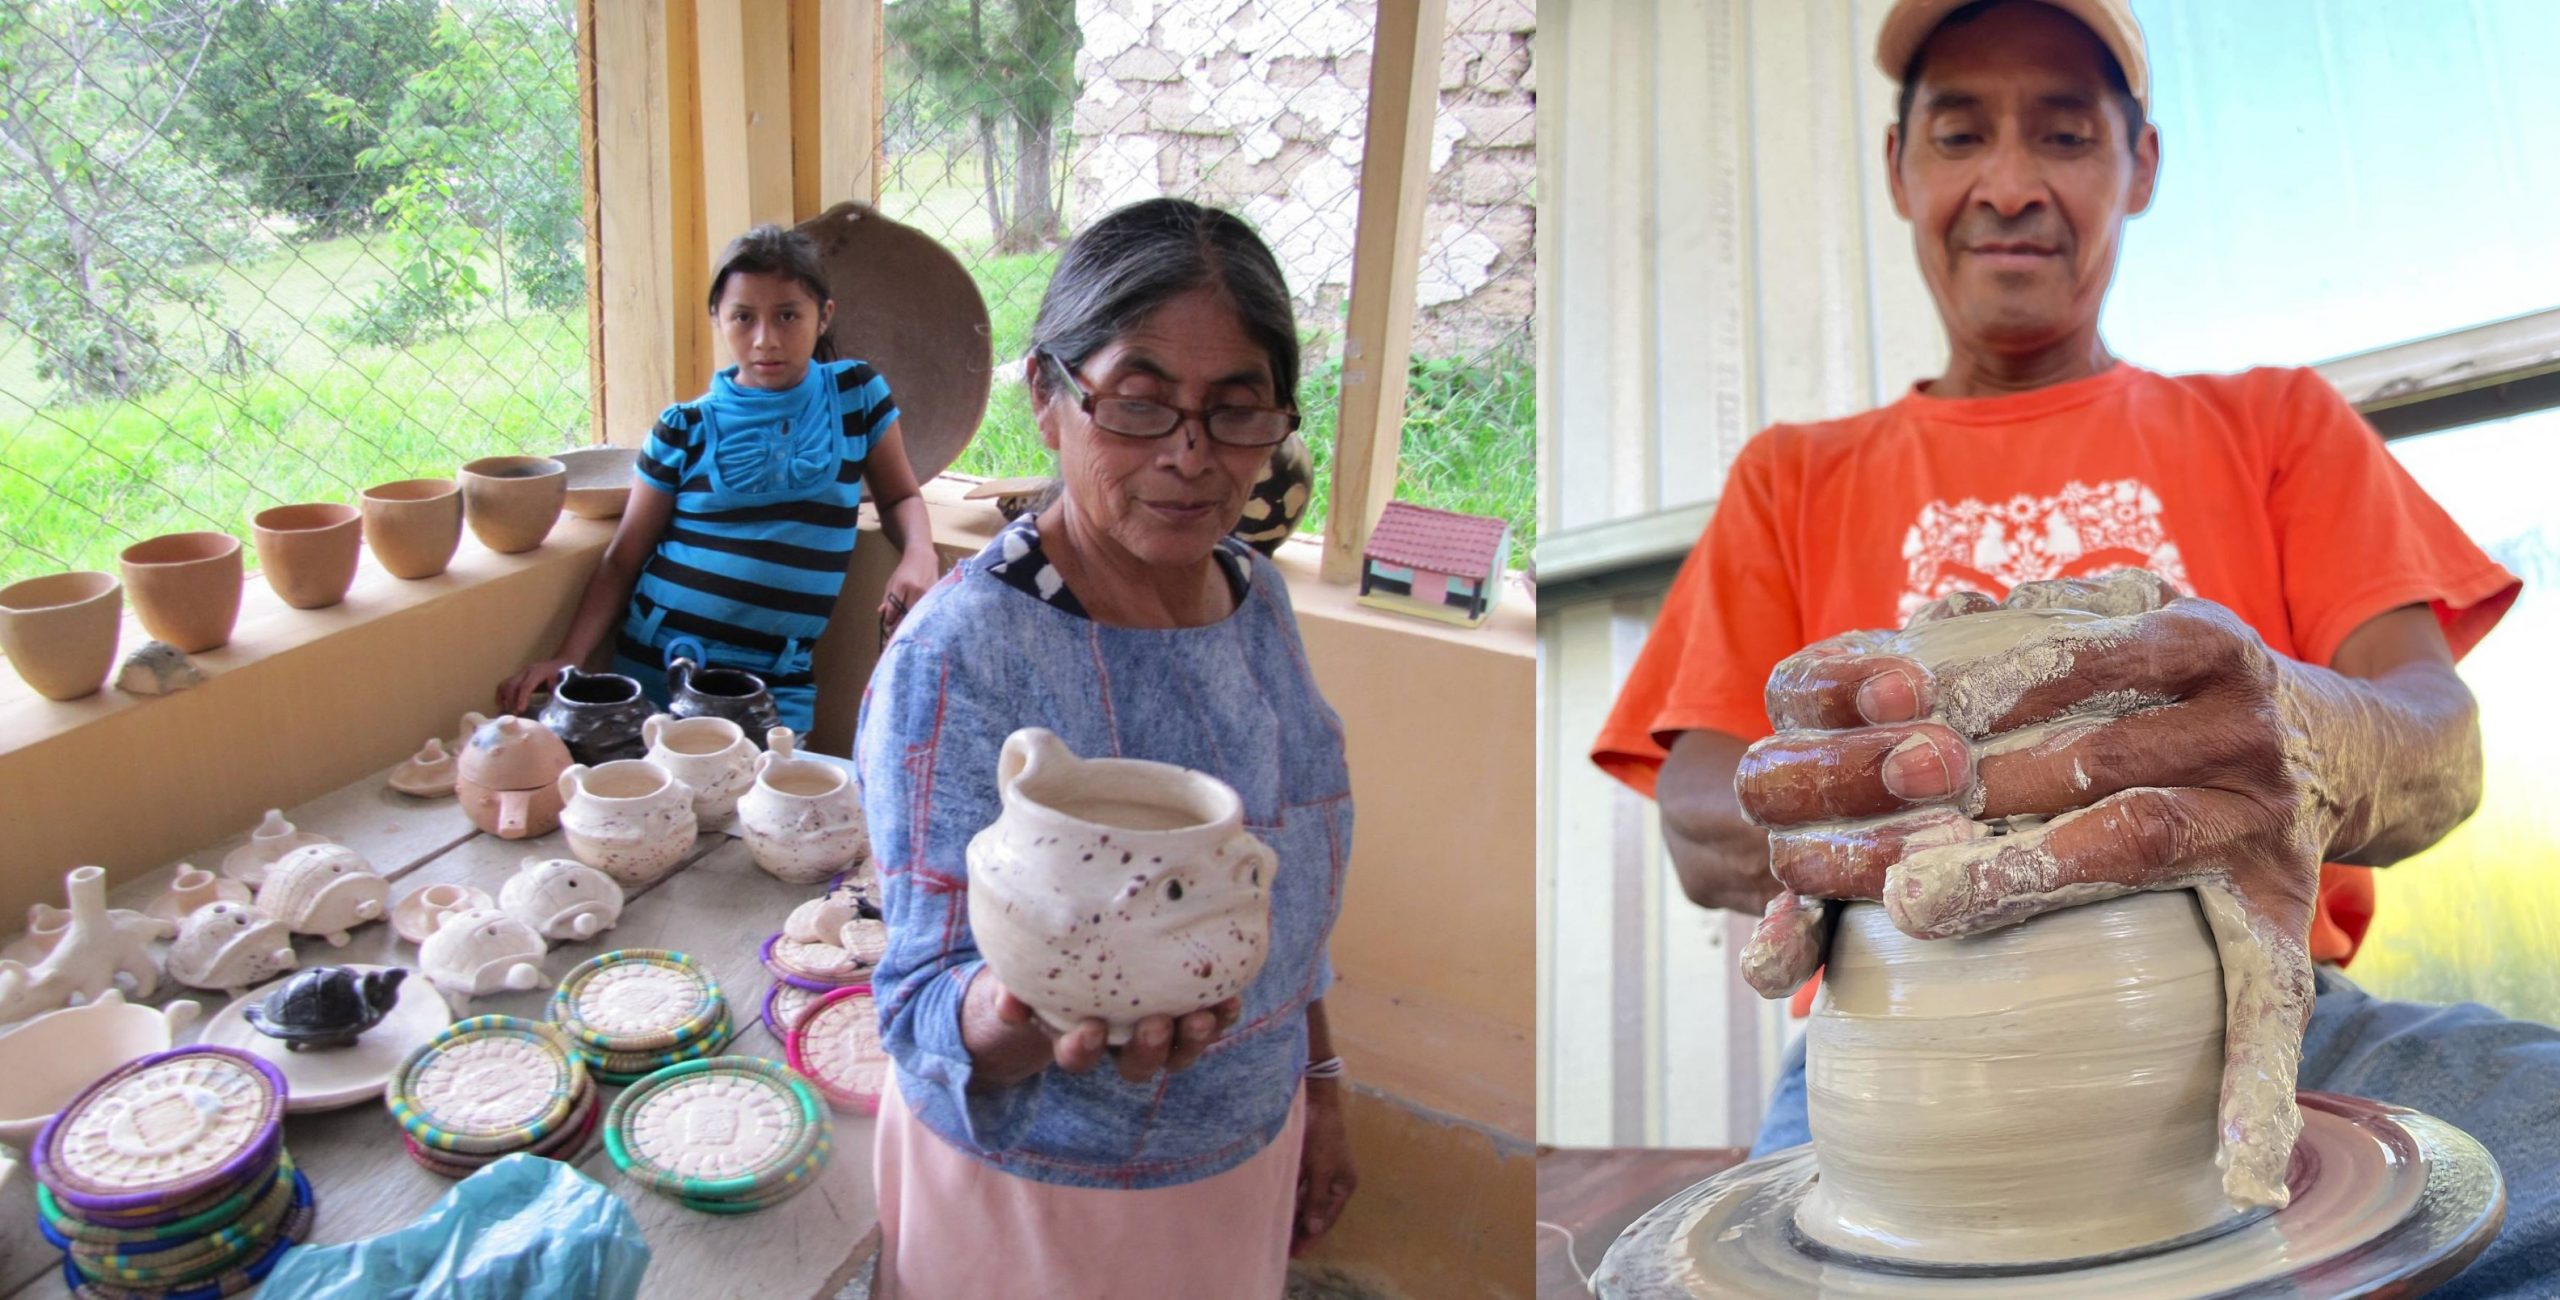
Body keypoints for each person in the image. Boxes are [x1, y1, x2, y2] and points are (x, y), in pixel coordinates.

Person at [1590, 0, 2551, 1292]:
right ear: (1899, 170)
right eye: (1960, 133)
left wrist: (2293, 728)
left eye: (2062, 134)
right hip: (1897, 1048)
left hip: (2277, 1024)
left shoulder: (2276, 424)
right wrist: (1901, 797)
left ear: (2136, 165)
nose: (2009, 186)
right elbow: (1704, 809)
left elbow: (2442, 745)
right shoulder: (1795, 477)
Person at [854, 198, 1359, 1298]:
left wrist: (1318, 1079)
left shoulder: (1254, 596)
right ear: (1047, 396)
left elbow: (1288, 871)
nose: (1189, 456)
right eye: (1137, 402)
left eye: (1237, 412)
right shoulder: (963, 654)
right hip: (1035, 1194)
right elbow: (917, 1005)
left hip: (1234, 1154)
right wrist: (1025, 1010)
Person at [496, 224, 942, 732]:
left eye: (788, 315)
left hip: (777, 686)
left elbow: (901, 495)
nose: (765, 339)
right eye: (743, 318)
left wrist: (919, 554)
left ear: (825, 317)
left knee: (770, 808)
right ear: (718, 318)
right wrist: (567, 657)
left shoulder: (856, 395)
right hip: (662, 671)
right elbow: (623, 558)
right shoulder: (682, 428)